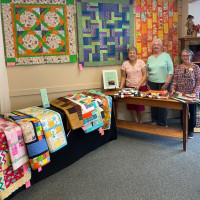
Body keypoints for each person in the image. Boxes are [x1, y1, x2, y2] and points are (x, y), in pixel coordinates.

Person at [171, 49, 200, 138]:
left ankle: (190, 130)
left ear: (191, 56)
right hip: (180, 94)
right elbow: (175, 79)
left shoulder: (196, 67)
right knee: (182, 111)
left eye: (187, 55)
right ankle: (184, 128)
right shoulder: (178, 67)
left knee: (192, 111)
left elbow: (199, 81)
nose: (185, 57)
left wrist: (196, 91)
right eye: (183, 56)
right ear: (181, 57)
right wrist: (172, 88)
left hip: (192, 94)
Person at [146, 38, 173, 127]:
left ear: (161, 46)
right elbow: (146, 72)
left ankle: (162, 123)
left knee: (162, 104)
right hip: (152, 83)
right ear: (152, 47)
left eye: (158, 44)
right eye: (154, 45)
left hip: (164, 84)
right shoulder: (150, 58)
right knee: (153, 103)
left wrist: (167, 83)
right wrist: (147, 84)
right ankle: (154, 120)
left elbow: (171, 70)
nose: (156, 46)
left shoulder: (166, 56)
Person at [119, 46, 147, 123]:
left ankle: (140, 122)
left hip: (141, 87)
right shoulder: (125, 64)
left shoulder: (141, 62)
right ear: (128, 55)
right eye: (130, 53)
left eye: (133, 53)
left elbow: (145, 75)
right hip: (129, 87)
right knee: (131, 106)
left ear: (136, 54)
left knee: (140, 106)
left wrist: (138, 85)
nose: (132, 54)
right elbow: (123, 76)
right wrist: (121, 86)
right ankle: (136, 120)